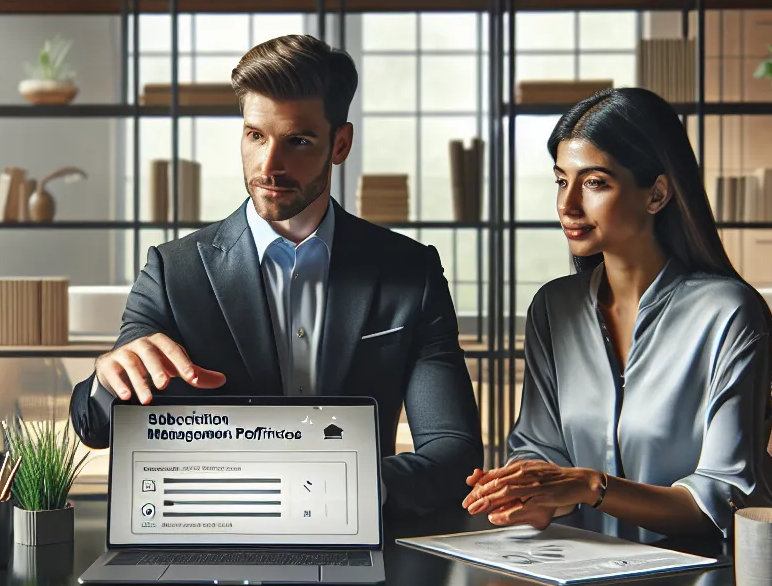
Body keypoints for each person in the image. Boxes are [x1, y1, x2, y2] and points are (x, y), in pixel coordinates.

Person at [67, 34, 481, 513]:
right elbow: (95, 427)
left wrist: (327, 488)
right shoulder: (172, 271)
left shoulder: (411, 272)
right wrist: (108, 379)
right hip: (210, 538)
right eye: (255, 136)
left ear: (340, 144)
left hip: (360, 533)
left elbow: (455, 455)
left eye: (297, 141)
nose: (269, 166)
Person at [463, 87, 772, 538]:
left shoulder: (728, 314)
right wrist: (526, 493)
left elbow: (724, 499)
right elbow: (540, 448)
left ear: (657, 194)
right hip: (576, 570)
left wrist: (592, 486)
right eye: (561, 180)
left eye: (594, 183)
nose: (567, 205)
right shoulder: (553, 309)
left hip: (701, 573)